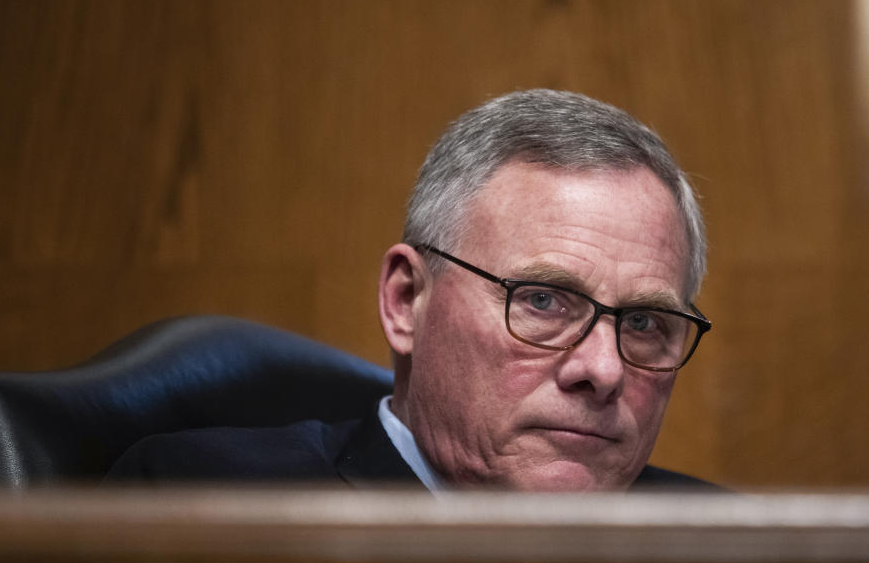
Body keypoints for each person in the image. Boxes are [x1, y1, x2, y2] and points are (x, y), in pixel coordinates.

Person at [108, 89, 715, 491]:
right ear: (406, 302)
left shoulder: (733, 554)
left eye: (643, 323)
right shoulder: (201, 507)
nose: (603, 370)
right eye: (542, 300)